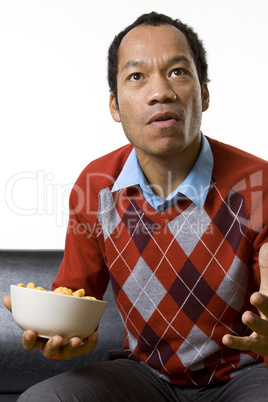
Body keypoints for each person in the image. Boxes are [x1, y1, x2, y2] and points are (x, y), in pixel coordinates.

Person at [3, 11, 268, 401]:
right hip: (144, 377)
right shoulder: (96, 185)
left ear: (204, 94)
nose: (160, 92)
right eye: (136, 76)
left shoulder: (258, 182)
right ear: (114, 105)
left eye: (178, 72)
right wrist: (61, 335)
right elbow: (75, 299)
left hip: (243, 376)